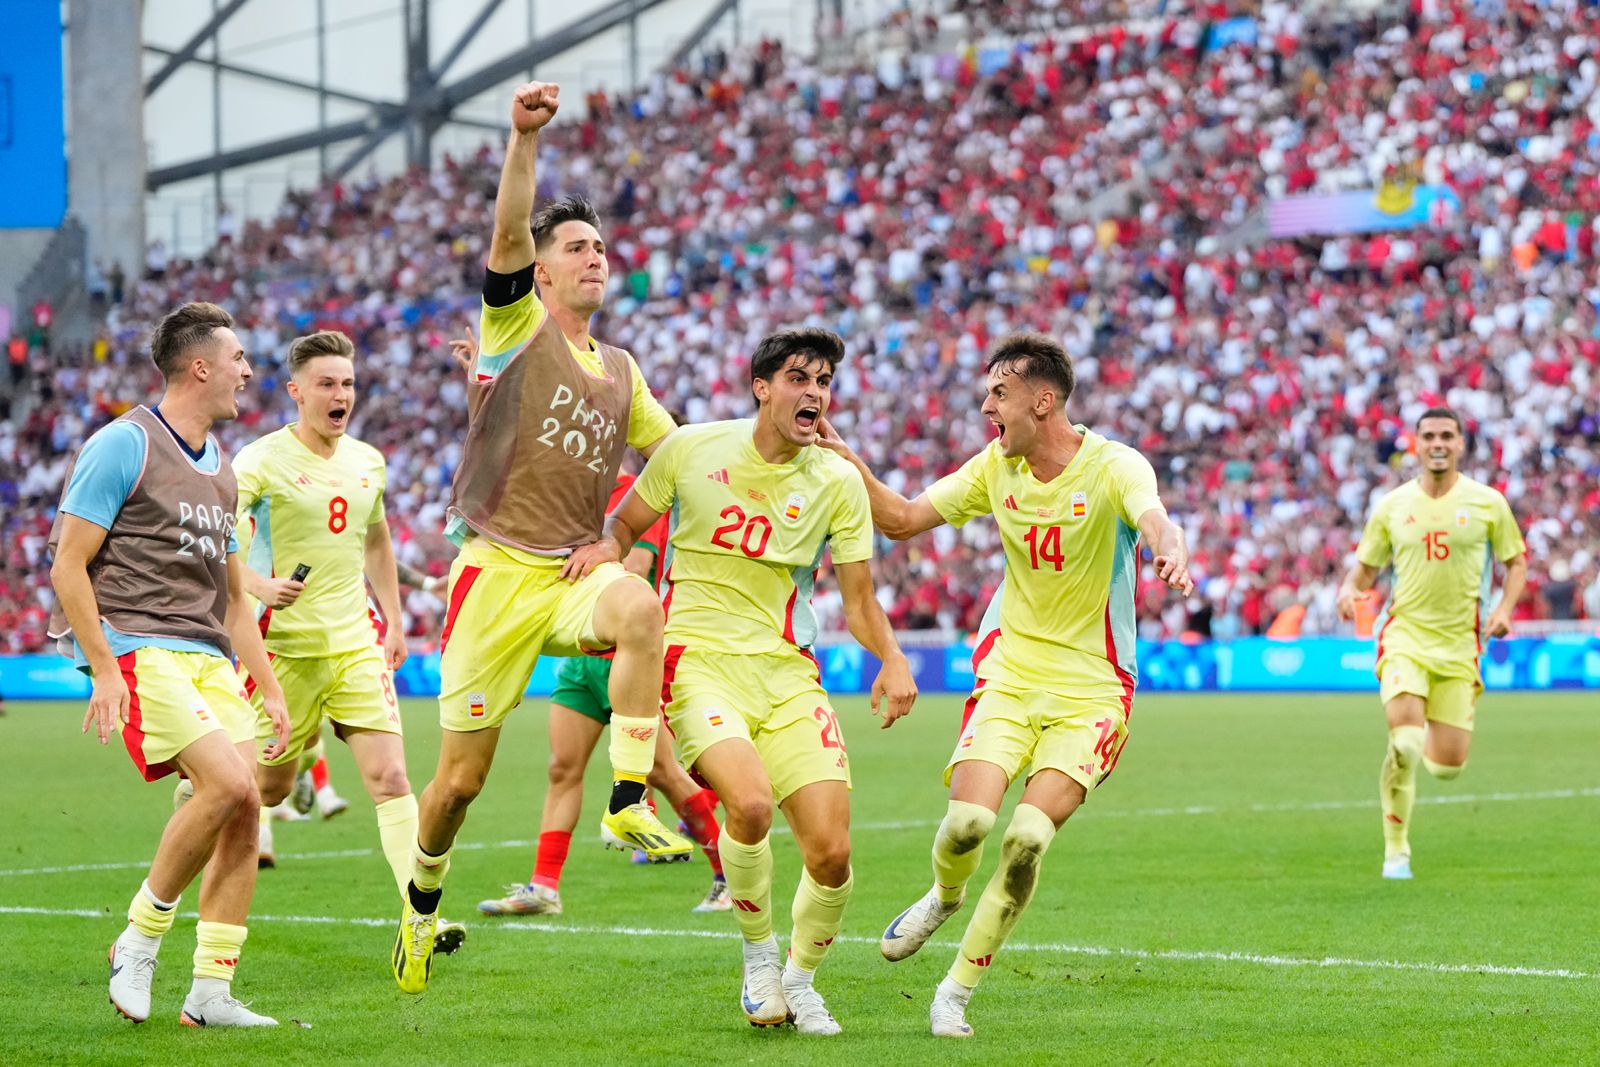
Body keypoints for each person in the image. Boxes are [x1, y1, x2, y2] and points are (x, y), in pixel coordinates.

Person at [393, 81, 692, 995]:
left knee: (641, 604)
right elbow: (504, 236)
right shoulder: (515, 324)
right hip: (493, 574)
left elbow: (676, 458)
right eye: (575, 248)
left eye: (601, 246)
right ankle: (419, 906)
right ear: (546, 273)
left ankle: (628, 801)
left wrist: (621, 535)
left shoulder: (625, 370)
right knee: (455, 788)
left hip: (571, 574)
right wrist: (522, 143)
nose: (594, 258)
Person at [817, 332, 1193, 1039]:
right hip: (1011, 675)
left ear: (1042, 400)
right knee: (969, 824)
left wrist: (1169, 549)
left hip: (1093, 689)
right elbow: (900, 519)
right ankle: (944, 894)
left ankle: (956, 990)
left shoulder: (1115, 466)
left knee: (1025, 837)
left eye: (999, 393)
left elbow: (1154, 519)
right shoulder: (995, 467)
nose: (985, 404)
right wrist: (848, 464)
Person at [568, 326, 919, 1035]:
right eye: (799, 377)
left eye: (823, 381)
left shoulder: (838, 481)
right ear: (763, 387)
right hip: (698, 661)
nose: (814, 392)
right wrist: (605, 548)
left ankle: (800, 978)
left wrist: (894, 656)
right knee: (751, 806)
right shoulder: (694, 447)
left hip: (789, 673)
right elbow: (627, 521)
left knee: (832, 850)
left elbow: (858, 601)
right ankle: (758, 958)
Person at [47, 301, 290, 1028]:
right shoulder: (124, 443)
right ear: (200, 365)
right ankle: (139, 938)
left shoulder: (225, 474)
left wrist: (270, 688)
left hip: (210, 655)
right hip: (139, 646)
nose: (249, 371)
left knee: (247, 804)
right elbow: (67, 565)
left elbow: (235, 598)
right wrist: (107, 667)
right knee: (224, 784)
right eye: (239, 358)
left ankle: (210, 992)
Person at [225, 329, 466, 952]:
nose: (341, 395)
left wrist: (394, 617)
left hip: (356, 641)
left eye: (348, 384)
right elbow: (220, 543)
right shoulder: (259, 461)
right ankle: (210, 779)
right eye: (327, 384)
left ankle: (421, 917)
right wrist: (256, 582)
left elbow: (377, 539)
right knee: (268, 790)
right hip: (283, 650)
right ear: (296, 391)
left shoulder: (367, 461)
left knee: (390, 778)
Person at [478, 471, 729, 918]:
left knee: (663, 771)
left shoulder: (637, 492)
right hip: (580, 657)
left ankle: (727, 879)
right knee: (562, 769)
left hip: (623, 655)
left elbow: (635, 571)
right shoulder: (562, 490)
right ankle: (543, 889)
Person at [1337, 407, 1527, 880]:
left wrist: (1504, 610)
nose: (1438, 443)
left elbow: (1516, 562)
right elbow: (1366, 567)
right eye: (1429, 436)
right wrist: (1348, 588)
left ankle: (1413, 760)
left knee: (1446, 767)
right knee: (1404, 741)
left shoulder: (1488, 503)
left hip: (1461, 647)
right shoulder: (1391, 506)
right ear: (1415, 445)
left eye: (1447, 435)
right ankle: (1396, 851)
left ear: (1461, 444)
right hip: (1404, 637)